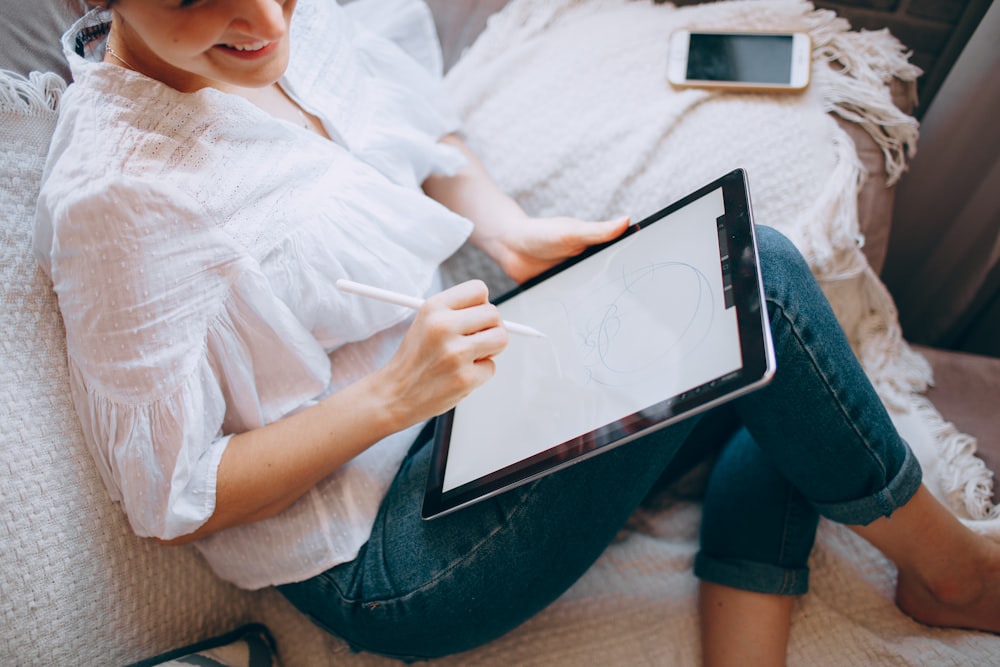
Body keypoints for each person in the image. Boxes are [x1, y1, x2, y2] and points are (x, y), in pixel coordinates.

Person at [34, 1, 1000, 664]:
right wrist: (391, 397)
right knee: (765, 284)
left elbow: (414, 128)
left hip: (470, 409)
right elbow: (175, 494)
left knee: (759, 347)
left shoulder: (300, 19)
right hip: (385, 553)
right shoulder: (119, 198)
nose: (262, 21)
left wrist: (503, 226)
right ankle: (954, 571)